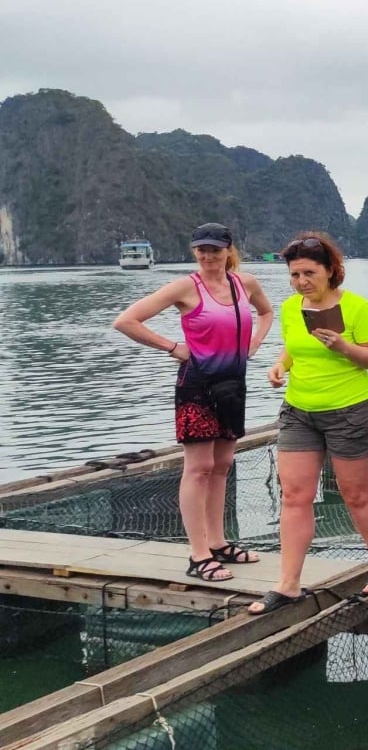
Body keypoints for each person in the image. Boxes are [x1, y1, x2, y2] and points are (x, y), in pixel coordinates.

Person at [112, 222, 274, 582]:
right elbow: (126, 321)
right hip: (197, 385)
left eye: (215, 249)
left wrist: (255, 343)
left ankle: (218, 543)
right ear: (194, 251)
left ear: (228, 250)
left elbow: (267, 312)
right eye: (202, 249)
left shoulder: (245, 284)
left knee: (222, 464)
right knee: (198, 467)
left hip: (233, 384)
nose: (208, 255)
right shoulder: (185, 287)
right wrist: (172, 347)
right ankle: (199, 555)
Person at [255, 232, 368, 615]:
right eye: (295, 274)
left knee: (356, 494)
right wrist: (280, 366)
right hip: (299, 411)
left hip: (348, 410)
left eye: (309, 273)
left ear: (331, 271)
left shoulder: (356, 307)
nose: (301, 282)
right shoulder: (290, 308)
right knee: (294, 495)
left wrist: (343, 346)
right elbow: (292, 348)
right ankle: (288, 583)